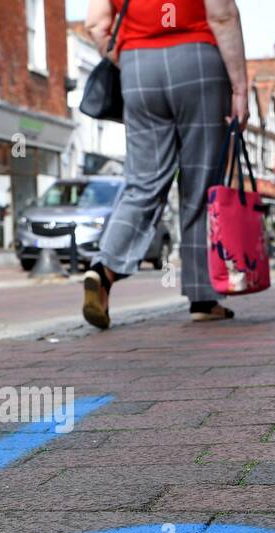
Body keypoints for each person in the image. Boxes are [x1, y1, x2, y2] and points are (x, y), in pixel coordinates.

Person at [82, 0, 250, 329]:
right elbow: (222, 14)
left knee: (143, 182)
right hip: (197, 60)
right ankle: (203, 297)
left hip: (137, 66)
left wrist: (129, 59)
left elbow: (95, 24)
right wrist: (240, 88)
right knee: (200, 186)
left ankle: (103, 269)